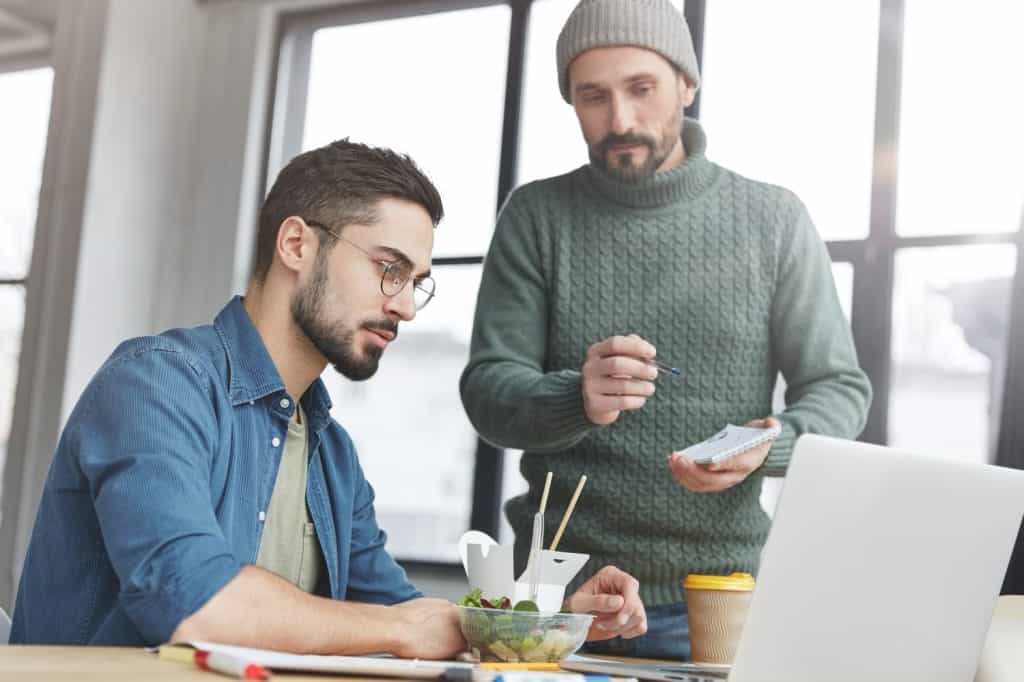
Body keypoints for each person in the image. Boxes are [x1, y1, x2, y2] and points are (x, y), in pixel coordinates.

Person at [10, 140, 647, 654]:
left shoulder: (330, 452)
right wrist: (401, 630)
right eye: (388, 268)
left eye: (416, 283)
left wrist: (549, 620)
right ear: (296, 244)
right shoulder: (155, 383)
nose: (404, 305)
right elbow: (193, 603)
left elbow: (402, 616)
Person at [460, 0, 872, 660]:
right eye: (593, 96)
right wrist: (579, 398)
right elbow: (487, 392)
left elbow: (839, 389)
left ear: (687, 83)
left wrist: (773, 445)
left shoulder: (774, 219)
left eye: (641, 89)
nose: (619, 119)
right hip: (566, 596)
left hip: (723, 597)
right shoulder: (537, 216)